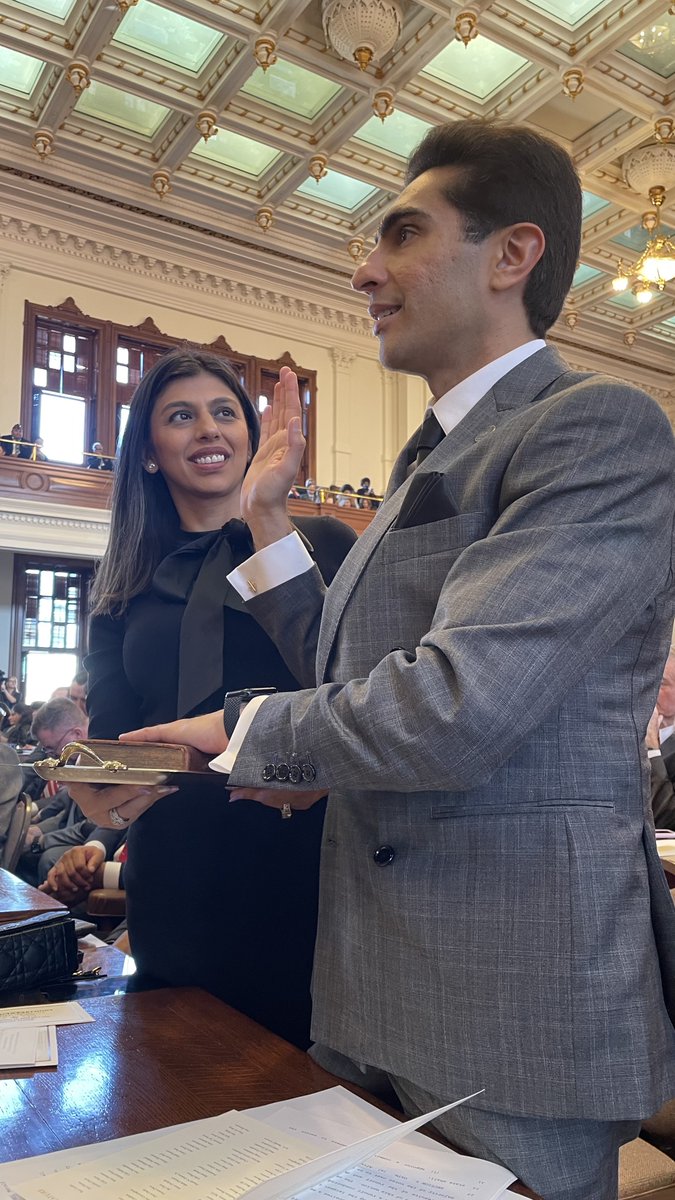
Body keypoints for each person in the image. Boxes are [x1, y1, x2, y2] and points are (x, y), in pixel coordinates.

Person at [94, 120, 675, 1198]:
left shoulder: (596, 425)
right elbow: (345, 670)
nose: (364, 270)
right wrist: (269, 519)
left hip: (509, 999)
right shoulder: (421, 463)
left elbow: (457, 704)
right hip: (366, 987)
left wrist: (240, 732)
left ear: (511, 255)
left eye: (402, 234)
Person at [67, 348, 356, 1048]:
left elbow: (356, 690)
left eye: (225, 412)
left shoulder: (319, 543)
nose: (208, 429)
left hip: (308, 856)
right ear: (148, 453)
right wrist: (97, 790)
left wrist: (266, 517)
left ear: (251, 438)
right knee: (175, 1067)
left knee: (309, 1071)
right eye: (180, 416)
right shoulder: (123, 587)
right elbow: (113, 742)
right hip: (176, 864)